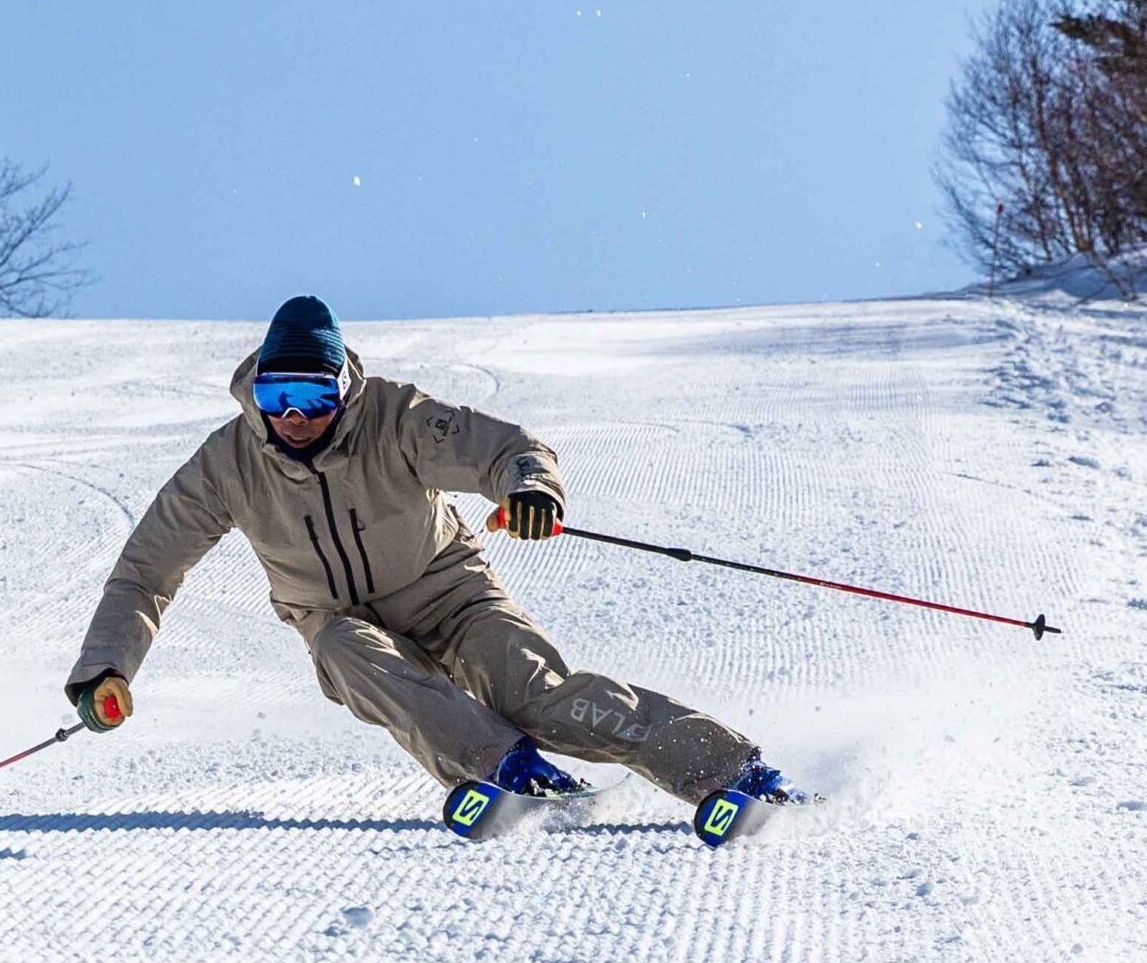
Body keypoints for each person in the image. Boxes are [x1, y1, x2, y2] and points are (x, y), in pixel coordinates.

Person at [65, 295, 805, 807]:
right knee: (348, 652)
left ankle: (727, 769)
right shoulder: (226, 464)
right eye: (279, 396)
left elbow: (508, 450)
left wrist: (529, 487)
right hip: (335, 617)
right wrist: (106, 667)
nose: (294, 417)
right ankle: (507, 772)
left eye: (314, 397)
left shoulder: (396, 417)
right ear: (254, 393)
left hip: (450, 595)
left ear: (343, 391)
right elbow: (145, 572)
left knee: (536, 694)